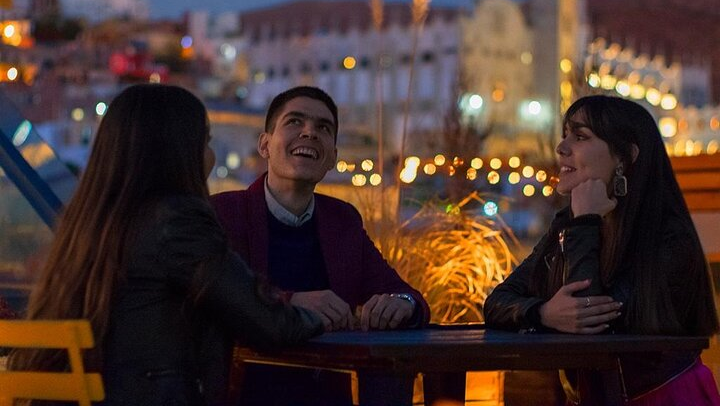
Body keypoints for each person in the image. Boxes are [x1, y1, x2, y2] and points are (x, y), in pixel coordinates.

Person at [8, 84, 324, 405]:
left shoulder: (86, 226)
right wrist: (322, 315)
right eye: (206, 142)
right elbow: (266, 321)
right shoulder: (178, 221)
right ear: (178, 151)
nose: (210, 156)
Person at [484, 94, 720, 405]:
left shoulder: (669, 241)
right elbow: (497, 302)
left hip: (663, 397)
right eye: (565, 134)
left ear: (625, 156)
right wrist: (543, 312)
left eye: (579, 136)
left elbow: (589, 324)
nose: (561, 148)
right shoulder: (567, 228)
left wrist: (585, 223)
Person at [211, 85, 430, 405]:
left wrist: (401, 304)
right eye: (294, 122)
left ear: (332, 157)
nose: (310, 133)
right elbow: (216, 298)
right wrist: (291, 301)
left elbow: (410, 297)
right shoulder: (223, 213)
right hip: (243, 394)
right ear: (265, 145)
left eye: (323, 128)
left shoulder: (342, 220)